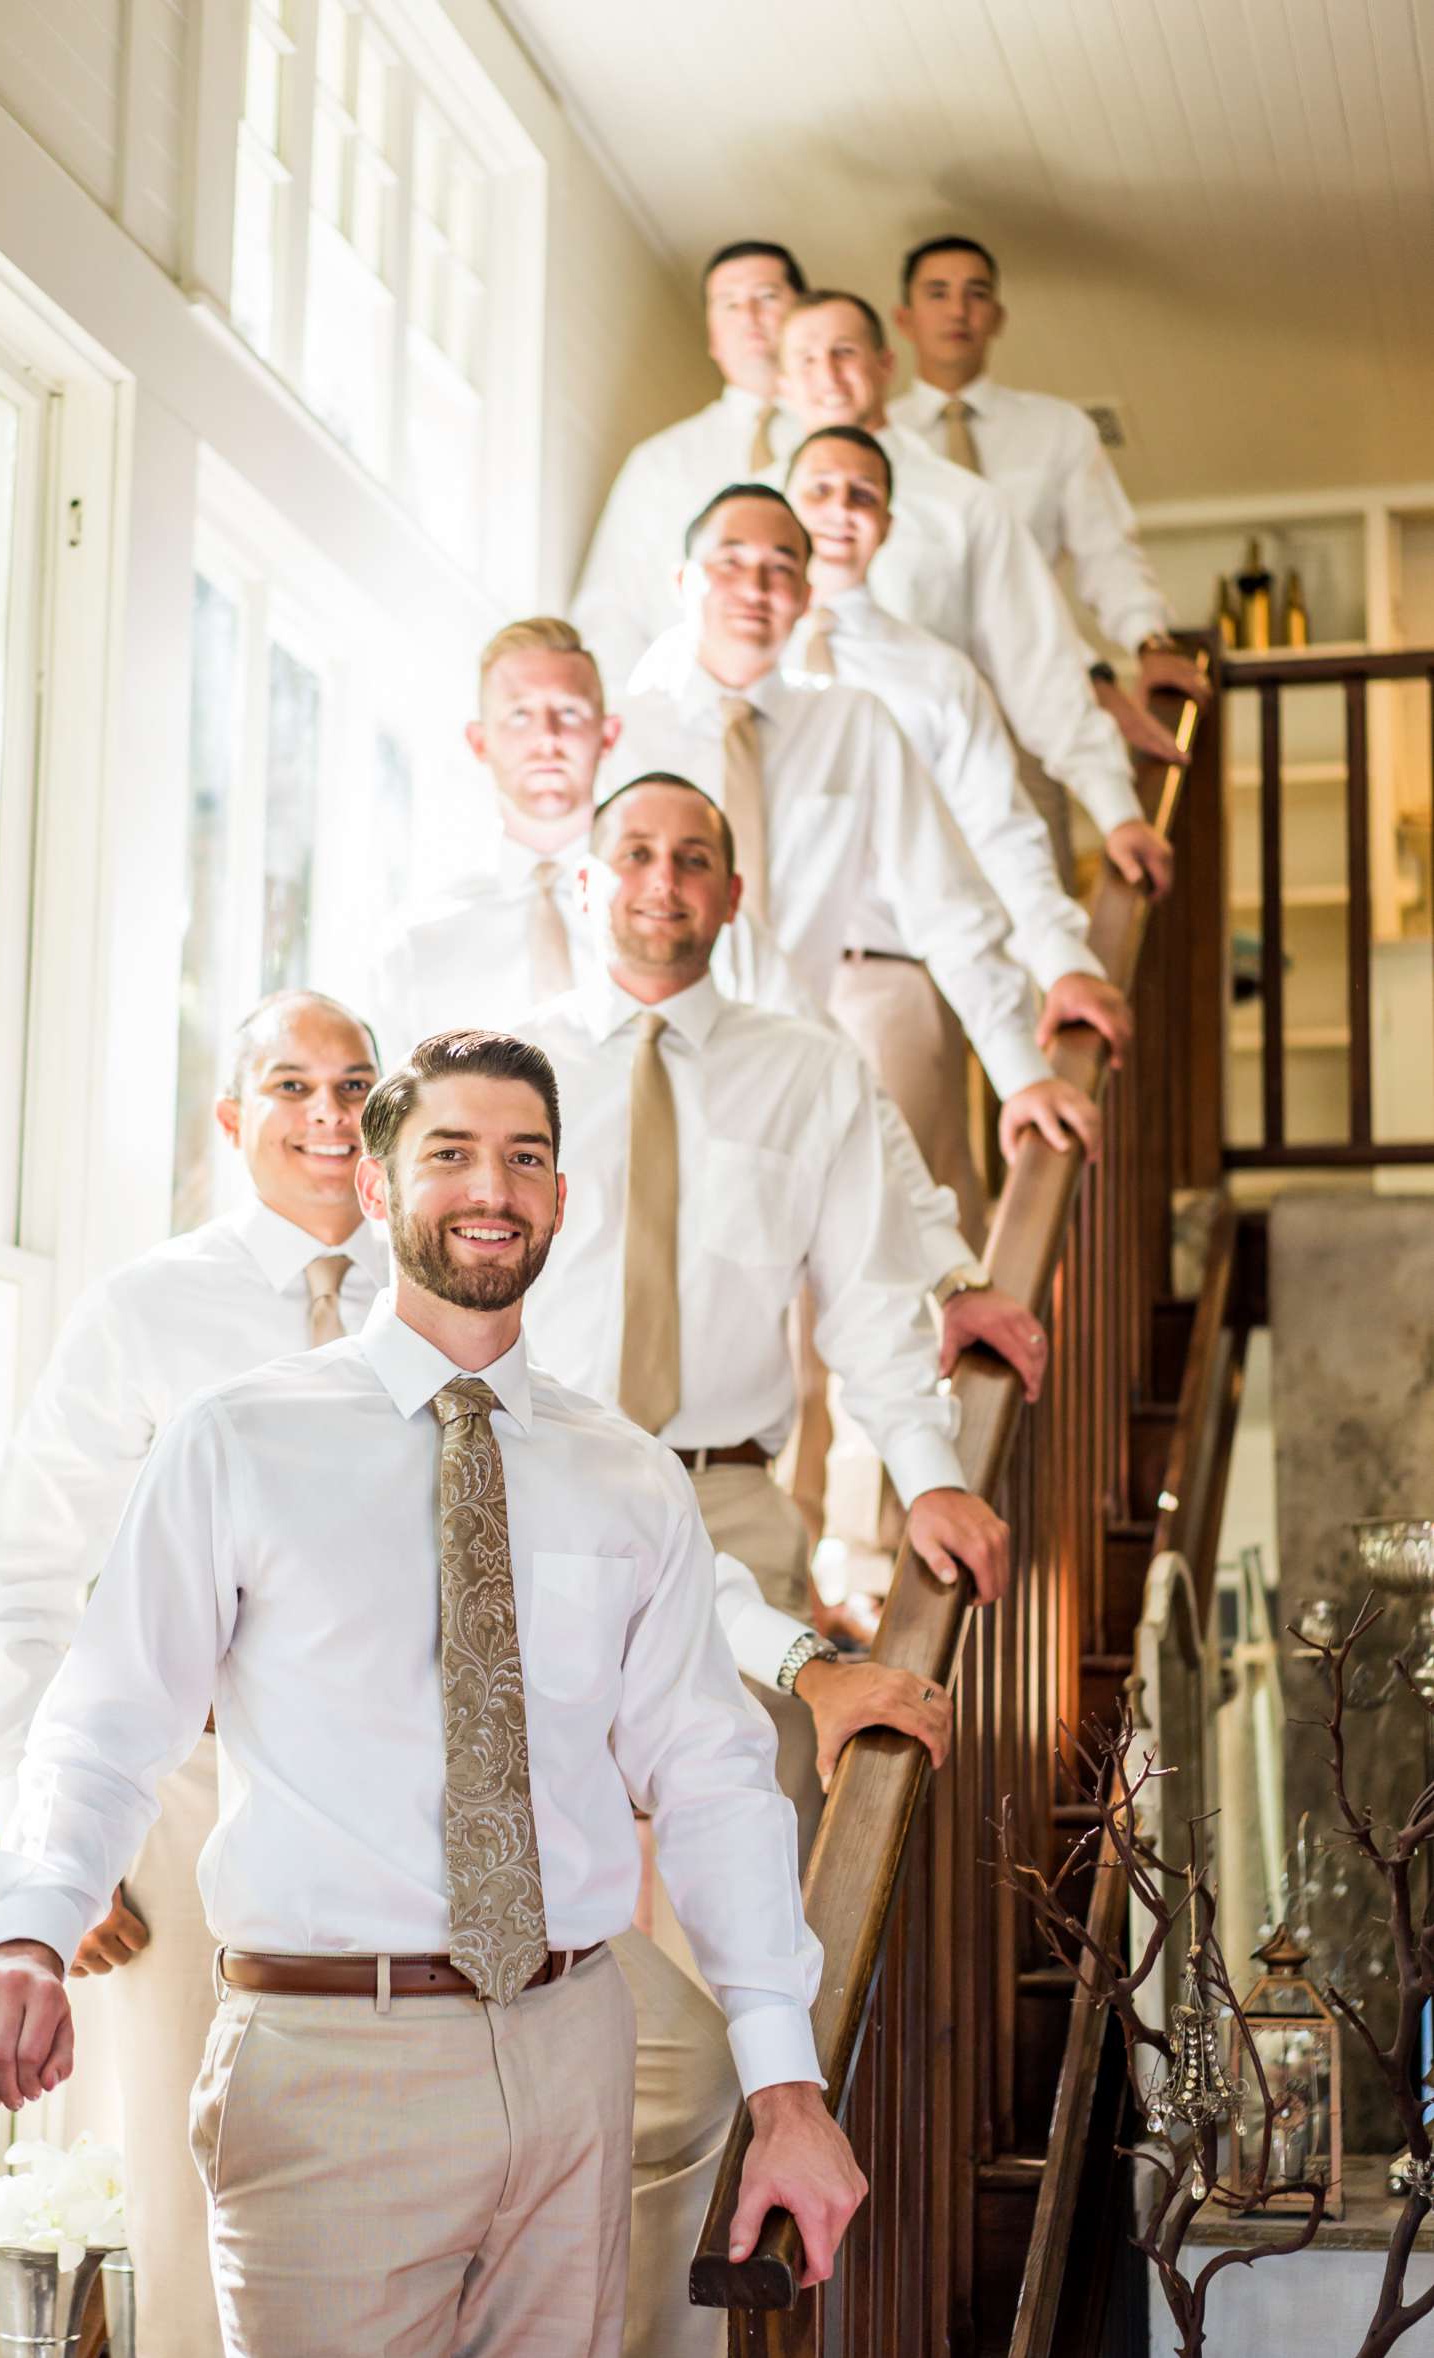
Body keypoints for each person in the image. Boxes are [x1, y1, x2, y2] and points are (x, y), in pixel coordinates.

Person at [0, 1030, 867, 2358]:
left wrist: (786, 2086)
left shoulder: (623, 1476)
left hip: (571, 2048)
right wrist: (30, 1921)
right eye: (448, 1153)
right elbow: (108, 1716)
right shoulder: (237, 1440)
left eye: (524, 1158)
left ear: (561, 1199)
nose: (489, 1187)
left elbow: (715, 1779)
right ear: (378, 1192)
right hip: (327, 2061)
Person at [0, 991, 385, 2358]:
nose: (326, 1116)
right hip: (184, 1799)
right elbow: (22, 1576)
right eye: (290, 1085)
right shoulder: (146, 1308)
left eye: (354, 1085)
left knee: (390, 2191)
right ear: (231, 1116)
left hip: (391, 1806)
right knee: (193, 2196)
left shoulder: (435, 1301)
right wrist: (54, 1848)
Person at [518, 772, 1027, 1848]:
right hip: (541, 1494)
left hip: (733, 1497)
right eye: (636, 854)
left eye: (692, 859)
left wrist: (928, 1476)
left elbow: (873, 1303)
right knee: (545, 1854)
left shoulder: (808, 1074)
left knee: (747, 1854)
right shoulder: (510, 1077)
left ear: (734, 891)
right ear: (582, 881)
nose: (663, 882)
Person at [613, 481, 1102, 1167]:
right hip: (642, 1065)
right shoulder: (622, 734)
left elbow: (946, 903)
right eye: (729, 562)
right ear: (681, 580)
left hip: (798, 1058)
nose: (755, 587)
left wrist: (1019, 1071)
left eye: (781, 569)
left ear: (807, 597)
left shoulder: (854, 723)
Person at [781, 422, 1134, 1241]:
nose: (839, 511)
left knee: (893, 1225)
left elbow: (1000, 836)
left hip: (888, 977)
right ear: (785, 503)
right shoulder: (726, 663)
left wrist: (1062, 965)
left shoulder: (936, 676)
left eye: (862, 495)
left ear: (888, 526)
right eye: (819, 491)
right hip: (750, 985)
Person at [773, 289, 1175, 894]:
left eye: (844, 352)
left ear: (885, 365)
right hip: (796, 822)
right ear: (780, 383)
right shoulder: (741, 513)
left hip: (950, 804)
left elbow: (1036, 664)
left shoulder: (964, 504)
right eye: (805, 358)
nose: (826, 374)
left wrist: (1116, 811)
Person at [369, 617, 807, 1059]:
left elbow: (805, 1065)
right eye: (520, 715)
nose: (547, 739)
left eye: (570, 712)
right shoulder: (417, 949)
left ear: (609, 734)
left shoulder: (697, 918)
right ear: (480, 742)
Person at [888, 235, 1209, 720]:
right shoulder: (875, 442)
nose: (958, 311)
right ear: (904, 318)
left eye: (976, 294)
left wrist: (1150, 640)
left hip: (1033, 691)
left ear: (997, 317)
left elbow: (1106, 552)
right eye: (937, 293)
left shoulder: (1057, 429)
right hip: (908, 691)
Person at [572, 240, 807, 695]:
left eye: (767, 297)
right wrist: (635, 721)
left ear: (802, 312)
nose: (750, 317)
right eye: (730, 305)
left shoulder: (847, 453)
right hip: (688, 710)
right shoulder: (660, 461)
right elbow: (610, 609)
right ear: (712, 336)